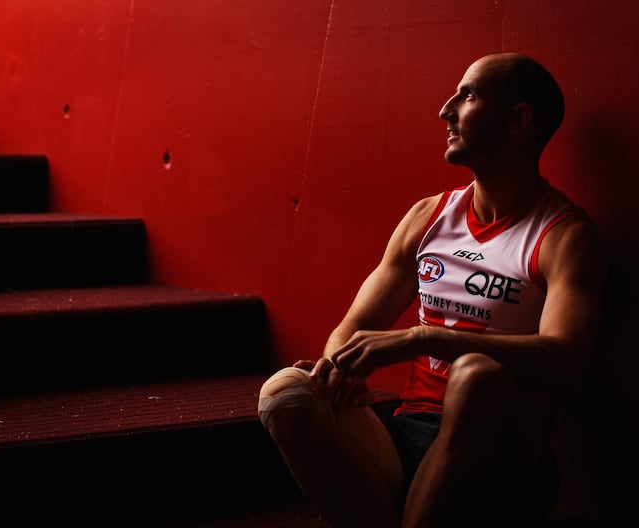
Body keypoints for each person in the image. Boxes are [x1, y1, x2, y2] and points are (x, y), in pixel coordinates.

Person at [257, 52, 606, 528]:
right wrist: (339, 368)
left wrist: (425, 338)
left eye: (468, 95)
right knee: (285, 394)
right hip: (411, 434)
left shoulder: (564, 235)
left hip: (504, 454)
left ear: (519, 118)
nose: (446, 110)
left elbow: (567, 360)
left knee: (475, 377)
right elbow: (353, 329)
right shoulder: (428, 217)